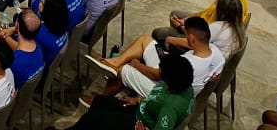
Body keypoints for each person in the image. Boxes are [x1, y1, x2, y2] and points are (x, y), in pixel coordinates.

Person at [88, 15, 224, 100]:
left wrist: (136, 64)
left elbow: (157, 75)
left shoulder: (188, 64)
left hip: (165, 93)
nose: (185, 38)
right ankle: (114, 62)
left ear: (192, 38)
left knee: (124, 70)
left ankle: (100, 100)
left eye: (187, 36)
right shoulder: (217, 55)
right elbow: (215, 76)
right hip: (173, 78)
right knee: (146, 40)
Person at [72, 53, 195, 130]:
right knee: (99, 102)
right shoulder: (185, 85)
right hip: (142, 108)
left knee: (91, 119)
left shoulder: (170, 108)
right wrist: (139, 100)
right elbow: (158, 96)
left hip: (140, 122)